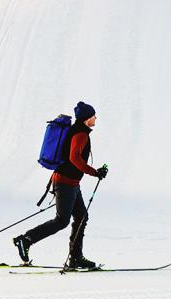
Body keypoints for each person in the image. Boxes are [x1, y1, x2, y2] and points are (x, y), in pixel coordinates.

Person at [15, 101, 107, 269]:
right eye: (93, 115)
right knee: (61, 221)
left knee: (81, 217)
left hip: (71, 183)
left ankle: (76, 258)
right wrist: (95, 172)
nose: (95, 118)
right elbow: (74, 158)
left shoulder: (79, 131)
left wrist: (94, 172)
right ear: (87, 118)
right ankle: (25, 240)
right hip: (65, 183)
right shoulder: (81, 134)